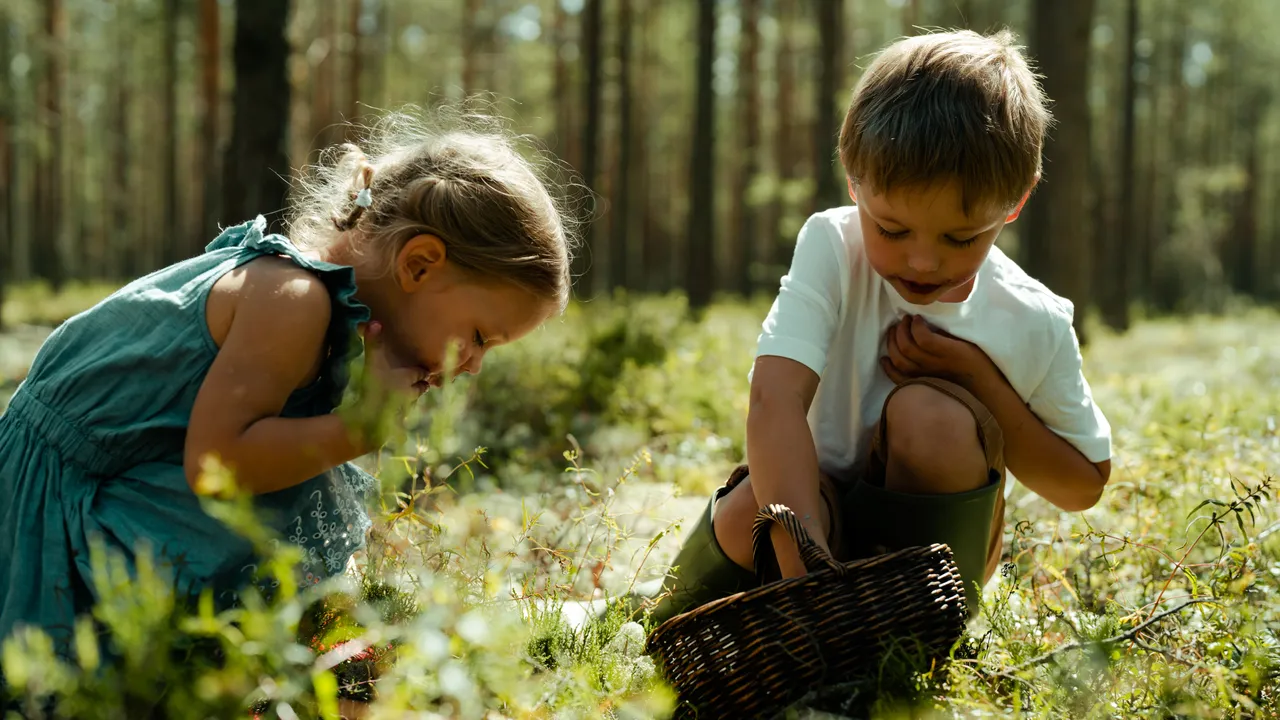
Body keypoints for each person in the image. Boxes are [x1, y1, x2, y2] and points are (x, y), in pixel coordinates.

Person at [0, 107, 575, 657]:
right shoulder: (292, 302)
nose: (473, 365)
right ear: (419, 264)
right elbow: (216, 465)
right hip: (50, 509)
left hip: (107, 475)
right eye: (479, 336)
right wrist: (358, 430)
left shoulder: (317, 308)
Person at [643, 29, 1113, 625]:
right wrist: (807, 575)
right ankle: (682, 616)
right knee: (752, 510)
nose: (922, 261)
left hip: (928, 562)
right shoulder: (834, 246)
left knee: (931, 417)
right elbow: (775, 397)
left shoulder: (1032, 317)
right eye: (892, 230)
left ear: (1015, 203)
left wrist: (979, 380)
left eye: (960, 238)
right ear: (853, 180)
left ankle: (909, 631)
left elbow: (1082, 486)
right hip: (818, 522)